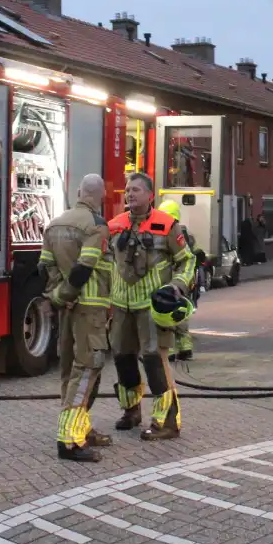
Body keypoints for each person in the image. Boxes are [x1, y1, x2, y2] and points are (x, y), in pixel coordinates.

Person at [107, 174, 196, 441]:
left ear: (149, 195)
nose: (129, 194)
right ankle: (131, 410)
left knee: (154, 359)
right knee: (122, 356)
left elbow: (187, 261)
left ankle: (167, 421)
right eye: (127, 190)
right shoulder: (115, 226)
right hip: (122, 306)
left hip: (151, 308)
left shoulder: (167, 226)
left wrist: (177, 286)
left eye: (135, 190)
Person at [37, 175, 113, 463]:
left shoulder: (55, 223)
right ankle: (69, 440)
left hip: (66, 311)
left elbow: (44, 266)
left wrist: (56, 295)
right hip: (88, 311)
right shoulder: (96, 225)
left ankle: (82, 428)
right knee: (85, 371)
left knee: (69, 371)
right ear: (101, 195)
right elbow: (85, 267)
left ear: (79, 192)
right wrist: (66, 294)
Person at [157, 200, 199, 362]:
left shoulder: (166, 231)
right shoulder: (184, 232)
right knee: (181, 311)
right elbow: (193, 253)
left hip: (170, 277)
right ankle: (185, 347)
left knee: (167, 312)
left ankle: (170, 350)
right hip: (184, 279)